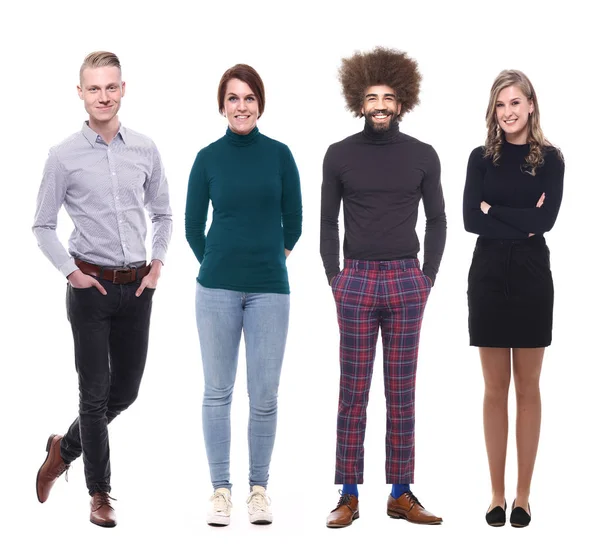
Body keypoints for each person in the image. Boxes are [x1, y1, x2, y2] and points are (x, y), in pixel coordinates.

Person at [33, 51, 172, 527]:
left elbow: (164, 214)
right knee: (92, 395)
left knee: (125, 392)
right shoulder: (63, 155)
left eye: (111, 87)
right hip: (89, 289)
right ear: (81, 93)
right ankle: (100, 494)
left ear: (123, 89)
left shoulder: (146, 149)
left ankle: (62, 449)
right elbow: (43, 225)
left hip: (137, 290)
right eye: (94, 88)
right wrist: (71, 272)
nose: (104, 96)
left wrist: (156, 266)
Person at [320, 47, 446, 528]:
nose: (379, 104)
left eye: (388, 97)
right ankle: (348, 494)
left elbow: (437, 220)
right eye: (371, 96)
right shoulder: (339, 155)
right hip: (355, 279)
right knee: (352, 389)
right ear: (359, 100)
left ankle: (401, 491)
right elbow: (327, 222)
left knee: (401, 389)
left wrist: (426, 278)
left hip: (405, 279)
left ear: (401, 102)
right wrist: (336, 277)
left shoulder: (422, 155)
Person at [185, 63, 302, 527]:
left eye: (249, 97)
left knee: (265, 395)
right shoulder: (208, 158)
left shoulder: (280, 155)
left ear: (260, 104)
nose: (241, 105)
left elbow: (293, 219)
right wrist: (217, 262)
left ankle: (258, 489)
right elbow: (194, 226)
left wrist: (271, 259)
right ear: (222, 105)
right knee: (217, 392)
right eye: (233, 98)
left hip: (270, 290)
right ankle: (220, 490)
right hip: (215, 289)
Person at [463, 69, 564, 528]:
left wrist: (494, 210)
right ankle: (496, 495)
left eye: (515, 103)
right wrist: (519, 217)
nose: (507, 113)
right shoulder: (480, 159)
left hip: (530, 277)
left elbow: (544, 224)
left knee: (528, 389)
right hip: (486, 276)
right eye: (500, 105)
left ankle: (523, 495)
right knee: (493, 389)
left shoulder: (552, 161)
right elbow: (468, 219)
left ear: (531, 106)